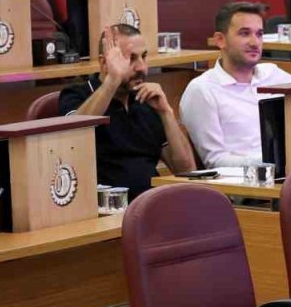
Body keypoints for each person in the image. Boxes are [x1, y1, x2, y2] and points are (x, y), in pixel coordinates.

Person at [180, 2, 291, 168]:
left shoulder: (274, 75)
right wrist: (272, 161)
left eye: (259, 34)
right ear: (220, 40)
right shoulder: (202, 90)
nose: (255, 42)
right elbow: (216, 162)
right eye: (245, 33)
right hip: (246, 188)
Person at [58, 24, 195, 200]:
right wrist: (113, 80)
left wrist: (166, 113)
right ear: (104, 63)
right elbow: (74, 134)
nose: (141, 67)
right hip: (105, 208)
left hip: (152, 205)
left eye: (143, 57)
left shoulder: (146, 101)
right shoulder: (76, 95)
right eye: (130, 59)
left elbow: (186, 171)